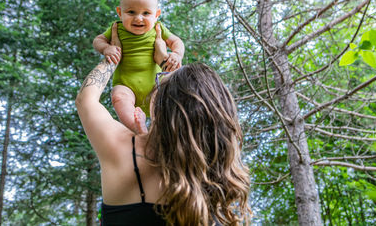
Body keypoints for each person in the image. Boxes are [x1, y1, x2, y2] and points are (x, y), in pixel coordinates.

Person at [76, 38, 252, 225]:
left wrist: (115, 53)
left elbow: (86, 100)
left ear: (163, 105)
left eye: (159, 81)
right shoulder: (216, 177)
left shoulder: (125, 150)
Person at [93, 0, 185, 133]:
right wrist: (106, 48)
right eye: (131, 12)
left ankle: (158, 131)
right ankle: (138, 127)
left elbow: (177, 42)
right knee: (118, 97)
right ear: (119, 12)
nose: (138, 18)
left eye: (146, 13)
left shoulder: (158, 29)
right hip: (126, 84)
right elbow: (98, 40)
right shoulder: (117, 28)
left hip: (155, 84)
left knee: (162, 101)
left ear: (156, 15)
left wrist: (176, 54)